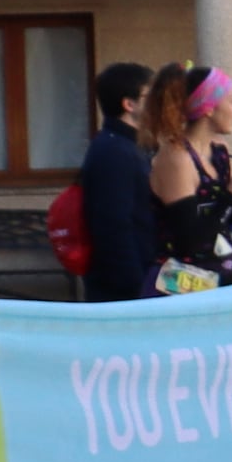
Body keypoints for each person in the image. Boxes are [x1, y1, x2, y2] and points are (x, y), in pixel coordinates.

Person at [142, 63, 232, 287]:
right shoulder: (177, 159)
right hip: (178, 291)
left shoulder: (218, 152)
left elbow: (227, 228)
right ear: (209, 108)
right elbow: (191, 243)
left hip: (217, 284)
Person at [73, 58, 160, 303]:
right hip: (124, 290)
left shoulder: (131, 145)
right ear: (129, 104)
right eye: (150, 96)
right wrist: (137, 286)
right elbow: (113, 226)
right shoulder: (114, 150)